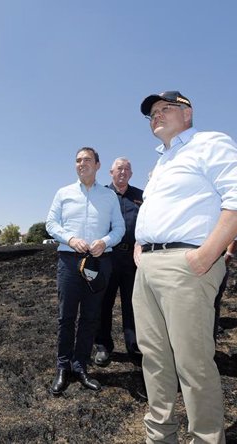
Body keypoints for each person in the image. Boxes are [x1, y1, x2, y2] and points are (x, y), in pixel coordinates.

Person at [133, 91, 237, 443]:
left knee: (193, 362)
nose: (156, 116)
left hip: (187, 266)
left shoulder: (209, 143)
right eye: (152, 113)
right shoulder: (160, 161)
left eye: (165, 109)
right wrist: (140, 244)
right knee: (154, 358)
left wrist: (207, 254)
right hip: (148, 267)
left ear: (187, 113)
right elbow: (159, 211)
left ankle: (206, 438)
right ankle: (160, 435)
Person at [45, 147, 125, 395]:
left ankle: (80, 366)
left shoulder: (109, 196)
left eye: (87, 160)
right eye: (78, 160)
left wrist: (105, 242)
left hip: (98, 262)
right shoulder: (63, 193)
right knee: (66, 316)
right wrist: (69, 238)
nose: (82, 164)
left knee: (91, 317)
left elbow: (119, 228)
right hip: (69, 261)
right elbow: (50, 224)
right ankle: (63, 367)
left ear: (98, 165)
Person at [94, 157, 144, 366]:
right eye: (119, 169)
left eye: (127, 169)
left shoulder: (141, 196)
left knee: (133, 305)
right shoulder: (101, 195)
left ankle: (134, 347)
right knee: (103, 303)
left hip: (133, 259)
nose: (123, 172)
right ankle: (103, 346)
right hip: (107, 257)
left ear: (131, 174)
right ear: (111, 172)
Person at [214, 237, 237, 341]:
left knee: (213, 302)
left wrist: (229, 255)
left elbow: (235, 235)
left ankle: (212, 331)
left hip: (215, 259)